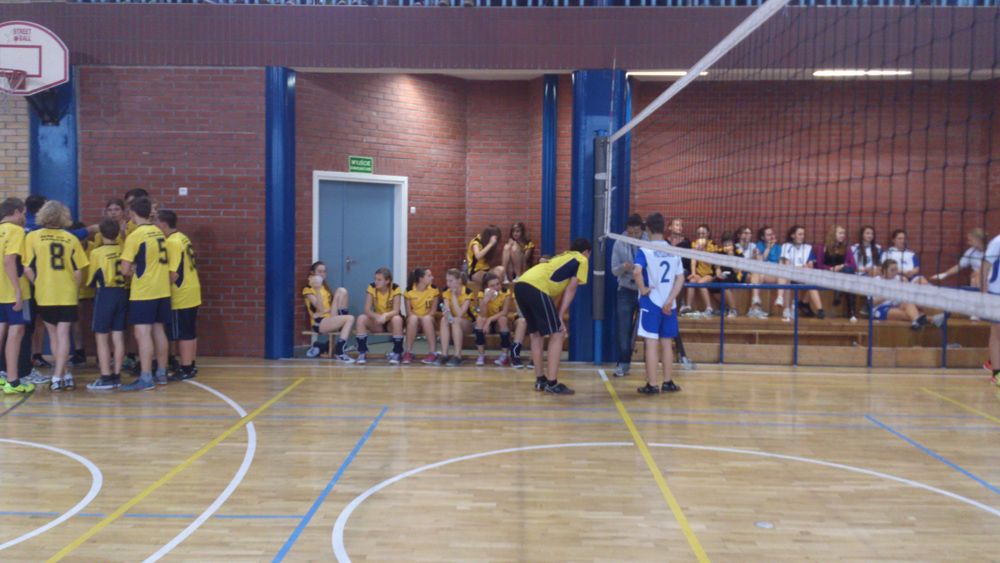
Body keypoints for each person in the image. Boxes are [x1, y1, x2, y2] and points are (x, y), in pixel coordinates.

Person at [23, 201, 89, 391]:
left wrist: (38, 283)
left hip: (45, 292)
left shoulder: (33, 236)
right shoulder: (71, 238)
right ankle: (63, 375)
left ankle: (58, 376)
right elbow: (78, 272)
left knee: (53, 335)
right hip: (67, 292)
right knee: (63, 334)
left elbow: (27, 268)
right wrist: (74, 289)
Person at [514, 237, 591, 395]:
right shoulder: (581, 259)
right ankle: (552, 383)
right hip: (536, 286)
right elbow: (571, 288)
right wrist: (560, 316)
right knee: (558, 333)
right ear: (586, 252)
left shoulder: (563, 256)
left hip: (521, 284)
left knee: (536, 333)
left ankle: (540, 380)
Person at [118, 196, 171, 391]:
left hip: (144, 290)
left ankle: (146, 377)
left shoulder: (136, 235)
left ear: (132, 214)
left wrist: (132, 268)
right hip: (162, 289)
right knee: (159, 331)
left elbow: (124, 270)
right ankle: (162, 373)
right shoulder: (159, 232)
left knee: (142, 334)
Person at [632, 213, 684, 395]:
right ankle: (668, 382)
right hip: (670, 304)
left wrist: (643, 289)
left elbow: (636, 271)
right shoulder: (674, 250)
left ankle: (653, 385)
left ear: (647, 229)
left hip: (651, 302)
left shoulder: (645, 250)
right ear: (664, 229)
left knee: (651, 344)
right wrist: (670, 300)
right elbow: (680, 278)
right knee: (667, 343)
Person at [156, 210, 208, 378]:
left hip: (181, 293)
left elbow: (174, 273)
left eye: (156, 223)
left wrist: (159, 288)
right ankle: (191, 365)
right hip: (192, 289)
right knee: (190, 331)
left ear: (164, 224)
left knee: (183, 333)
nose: (155, 226)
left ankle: (185, 369)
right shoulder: (183, 237)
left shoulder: (171, 242)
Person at [85, 220, 129, 390]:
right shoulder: (123, 249)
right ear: (118, 233)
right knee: (118, 336)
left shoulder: (97, 253)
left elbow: (91, 280)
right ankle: (117, 376)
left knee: (101, 336)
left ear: (100, 234)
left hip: (105, 293)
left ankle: (105, 377)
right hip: (122, 292)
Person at [0, 198, 33, 395]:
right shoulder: (16, 231)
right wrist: (18, 290)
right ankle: (12, 381)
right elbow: (9, 260)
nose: (25, 218)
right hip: (12, 291)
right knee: (17, 331)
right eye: (24, 213)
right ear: (16, 211)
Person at [611, 213, 649, 377]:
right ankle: (623, 364)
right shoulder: (619, 243)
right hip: (626, 290)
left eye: (637, 233)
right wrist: (623, 268)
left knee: (648, 331)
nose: (633, 236)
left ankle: (650, 368)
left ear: (642, 231)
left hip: (645, 291)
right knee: (624, 329)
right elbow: (614, 270)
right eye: (630, 233)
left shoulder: (649, 243)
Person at [302, 261, 355, 363]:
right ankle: (340, 352)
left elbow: (327, 309)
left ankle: (342, 327)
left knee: (342, 291)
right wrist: (317, 289)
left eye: (324, 272)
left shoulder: (325, 287)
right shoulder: (308, 289)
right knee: (350, 318)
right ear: (312, 273)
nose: (322, 274)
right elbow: (320, 308)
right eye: (319, 272)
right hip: (319, 322)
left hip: (328, 317)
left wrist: (323, 311)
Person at [355, 267, 403, 365]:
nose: (376, 282)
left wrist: (385, 315)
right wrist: (377, 316)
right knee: (361, 318)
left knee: (397, 319)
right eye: (375, 279)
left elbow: (396, 310)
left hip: (390, 322)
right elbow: (367, 310)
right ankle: (362, 352)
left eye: (379, 279)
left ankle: (397, 352)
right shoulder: (372, 287)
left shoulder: (395, 288)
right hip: (377, 322)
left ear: (387, 281)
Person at [779, 225, 825, 321]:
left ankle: (819, 310)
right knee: (786, 277)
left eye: (803, 234)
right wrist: (801, 267)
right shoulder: (786, 246)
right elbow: (787, 266)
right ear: (793, 235)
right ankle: (787, 308)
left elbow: (811, 264)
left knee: (813, 279)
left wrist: (809, 265)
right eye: (800, 234)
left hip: (804, 275)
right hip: (791, 275)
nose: (802, 236)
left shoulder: (808, 248)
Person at [435, 268, 476, 367]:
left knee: (456, 320)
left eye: (451, 281)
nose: (448, 284)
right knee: (444, 320)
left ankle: (457, 355)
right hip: (453, 321)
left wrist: (453, 296)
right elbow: (447, 309)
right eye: (447, 281)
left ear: (459, 280)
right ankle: (444, 354)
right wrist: (446, 312)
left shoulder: (468, 292)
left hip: (468, 323)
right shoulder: (446, 291)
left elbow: (460, 314)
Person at [69, 221, 97, 368]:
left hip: (94, 289)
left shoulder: (93, 247)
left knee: (99, 321)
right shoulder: (70, 248)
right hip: (77, 290)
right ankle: (79, 353)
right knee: (77, 322)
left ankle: (103, 353)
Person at [816, 224, 858, 319]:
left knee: (848, 270)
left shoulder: (846, 248)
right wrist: (831, 269)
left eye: (844, 233)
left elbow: (853, 265)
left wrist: (842, 266)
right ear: (833, 234)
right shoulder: (823, 247)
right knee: (849, 276)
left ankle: (838, 294)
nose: (843, 235)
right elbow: (819, 265)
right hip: (828, 274)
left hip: (843, 274)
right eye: (840, 233)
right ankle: (851, 310)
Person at [872, 260, 927, 330]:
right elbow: (872, 303)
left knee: (909, 304)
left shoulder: (900, 279)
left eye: (896, 270)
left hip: (897, 305)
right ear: (885, 270)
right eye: (892, 270)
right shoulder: (875, 281)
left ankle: (916, 320)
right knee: (904, 315)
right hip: (881, 308)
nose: (895, 273)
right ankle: (929, 319)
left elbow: (909, 296)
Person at [402, 267, 440, 365]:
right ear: (421, 279)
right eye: (429, 276)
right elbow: (408, 312)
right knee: (413, 318)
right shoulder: (409, 290)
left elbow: (433, 311)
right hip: (415, 321)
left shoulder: (434, 289)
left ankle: (433, 352)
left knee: (427, 319)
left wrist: (423, 319)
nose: (432, 277)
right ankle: (408, 352)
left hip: (429, 320)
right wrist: (419, 318)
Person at [474, 272, 513, 366]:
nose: (496, 287)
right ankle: (481, 355)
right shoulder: (482, 293)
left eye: (498, 284)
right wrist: (485, 301)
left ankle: (504, 355)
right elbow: (483, 314)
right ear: (486, 287)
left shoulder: (505, 292)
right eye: (492, 286)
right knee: (480, 319)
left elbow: (505, 312)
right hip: (486, 324)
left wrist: (490, 320)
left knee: (503, 319)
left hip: (498, 322)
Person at [747, 225, 783, 318]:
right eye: (769, 235)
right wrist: (769, 248)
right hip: (763, 273)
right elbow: (761, 259)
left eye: (773, 234)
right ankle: (755, 303)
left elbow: (780, 263)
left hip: (774, 274)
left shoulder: (779, 248)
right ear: (763, 237)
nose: (772, 236)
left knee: (783, 275)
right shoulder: (759, 245)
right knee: (755, 273)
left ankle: (780, 298)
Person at [684, 224, 718, 317]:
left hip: (709, 273)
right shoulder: (695, 244)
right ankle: (688, 306)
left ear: (708, 234)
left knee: (701, 283)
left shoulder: (712, 246)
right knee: (692, 280)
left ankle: (709, 308)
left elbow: (711, 264)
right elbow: (693, 260)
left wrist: (702, 252)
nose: (701, 236)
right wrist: (693, 273)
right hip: (699, 272)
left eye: (703, 234)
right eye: (699, 234)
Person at [712, 233, 742, 318]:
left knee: (725, 283)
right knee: (712, 286)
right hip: (723, 274)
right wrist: (718, 272)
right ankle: (727, 305)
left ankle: (733, 309)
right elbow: (717, 267)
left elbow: (737, 271)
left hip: (735, 275)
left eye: (729, 242)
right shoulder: (720, 252)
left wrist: (731, 257)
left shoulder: (738, 252)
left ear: (733, 243)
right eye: (725, 242)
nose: (727, 244)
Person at [983, 231, 1000, 386]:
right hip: (996, 292)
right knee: (996, 330)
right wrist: (984, 293)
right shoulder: (997, 241)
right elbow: (986, 265)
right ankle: (996, 372)